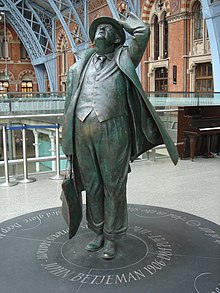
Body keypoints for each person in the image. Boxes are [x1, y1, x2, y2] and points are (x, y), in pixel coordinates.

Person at [62, 13, 178, 260]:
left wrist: (121, 22)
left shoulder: (125, 57)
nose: (101, 32)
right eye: (99, 29)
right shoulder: (80, 65)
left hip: (114, 131)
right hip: (82, 132)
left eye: (107, 29)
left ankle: (112, 237)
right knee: (92, 186)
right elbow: (69, 103)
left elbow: (143, 33)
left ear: (116, 39)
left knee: (114, 186)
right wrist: (68, 139)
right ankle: (98, 232)